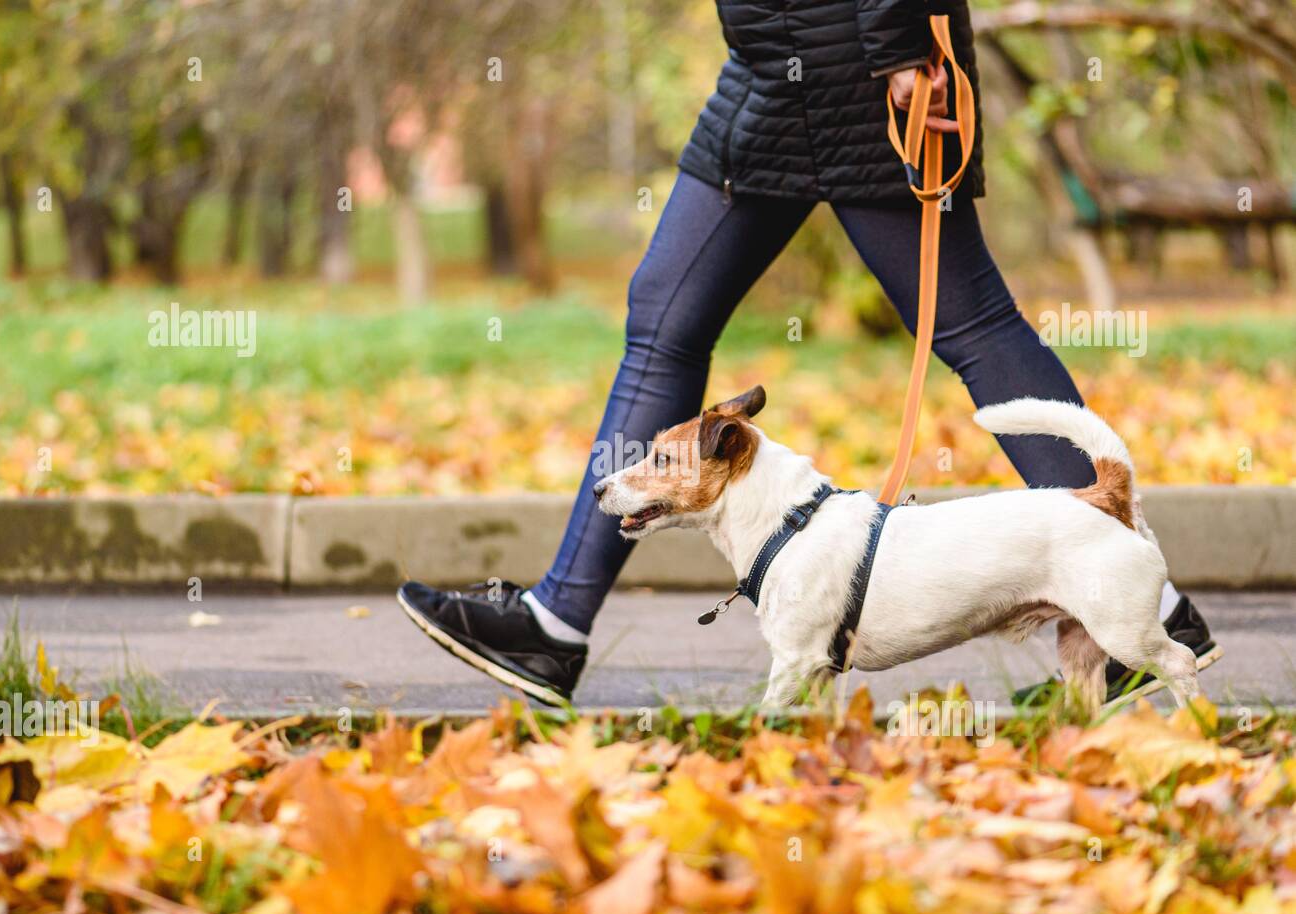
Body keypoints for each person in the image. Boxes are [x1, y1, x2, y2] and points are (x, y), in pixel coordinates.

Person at [397, 0, 1219, 707]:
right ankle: (556, 623)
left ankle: (1140, 604)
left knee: (969, 322)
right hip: (771, 65)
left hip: (858, 62)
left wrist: (901, 42)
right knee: (666, 317)